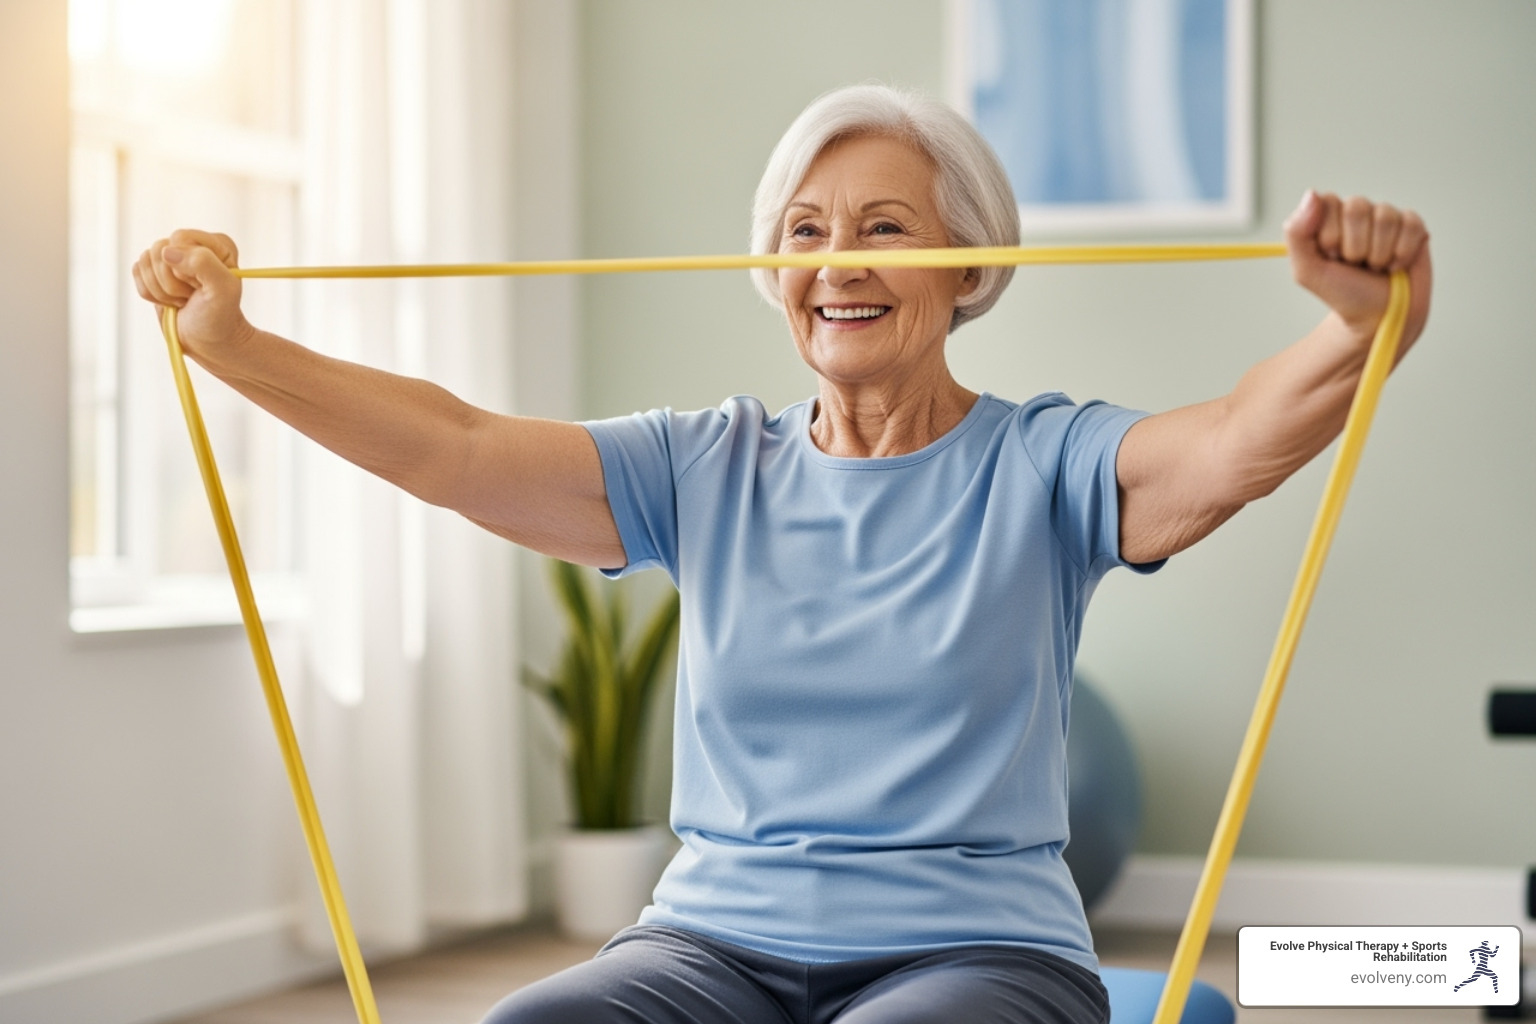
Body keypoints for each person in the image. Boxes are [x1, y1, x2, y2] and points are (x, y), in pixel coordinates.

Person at [134, 85, 1431, 1024]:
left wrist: (1364, 325)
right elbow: (457, 447)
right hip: (708, 948)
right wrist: (234, 346)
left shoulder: (1044, 464)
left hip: (981, 956)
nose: (837, 264)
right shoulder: (704, 465)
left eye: (884, 228)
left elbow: (1235, 441)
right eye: (806, 232)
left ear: (969, 268)